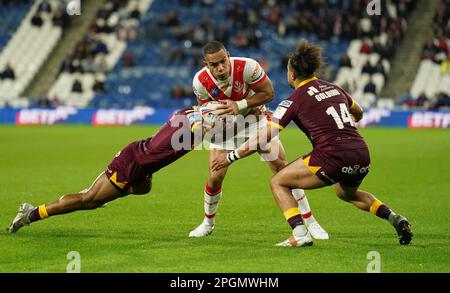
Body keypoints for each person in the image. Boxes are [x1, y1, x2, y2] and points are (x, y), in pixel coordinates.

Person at [212, 40, 413, 247]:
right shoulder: (335, 88)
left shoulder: (293, 100)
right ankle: (394, 217)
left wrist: (230, 156)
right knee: (346, 193)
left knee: (278, 182)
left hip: (331, 156)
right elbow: (359, 112)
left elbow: (263, 137)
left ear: (292, 74)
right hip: (361, 153)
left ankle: (300, 234)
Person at [189, 40, 328, 239]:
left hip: (256, 120)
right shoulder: (200, 81)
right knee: (215, 176)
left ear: (228, 55)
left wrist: (241, 104)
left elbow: (269, 93)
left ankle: (310, 221)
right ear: (206, 64)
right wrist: (212, 123)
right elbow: (205, 108)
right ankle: (207, 223)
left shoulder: (248, 67)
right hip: (226, 128)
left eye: (223, 61)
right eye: (214, 65)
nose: (220, 68)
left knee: (282, 168)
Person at [7, 107, 207, 233]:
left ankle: (103, 188)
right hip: (133, 162)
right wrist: (208, 129)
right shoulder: (199, 120)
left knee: (143, 188)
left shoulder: (190, 111)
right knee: (89, 201)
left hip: (141, 162)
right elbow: (197, 127)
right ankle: (30, 214)